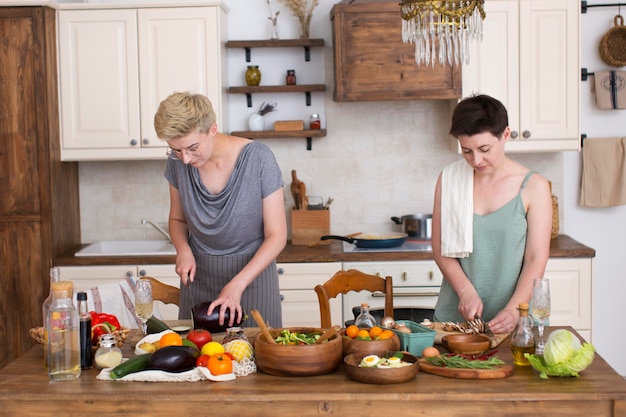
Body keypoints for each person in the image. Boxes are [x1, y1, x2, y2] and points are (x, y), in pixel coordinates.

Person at [154, 92, 287, 329]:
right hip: (200, 279)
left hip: (252, 278)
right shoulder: (178, 163)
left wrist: (237, 284)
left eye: (192, 147)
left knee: (258, 360)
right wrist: (183, 250)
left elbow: (277, 236)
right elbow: (177, 219)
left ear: (213, 128)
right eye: (175, 150)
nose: (184, 159)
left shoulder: (259, 158)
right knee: (199, 359)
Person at [432, 94, 552, 335]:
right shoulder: (449, 178)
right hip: (454, 322)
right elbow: (439, 247)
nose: (476, 160)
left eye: (484, 149)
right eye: (466, 151)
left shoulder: (533, 186)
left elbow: (536, 258)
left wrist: (514, 310)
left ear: (505, 135)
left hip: (514, 322)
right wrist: (465, 290)